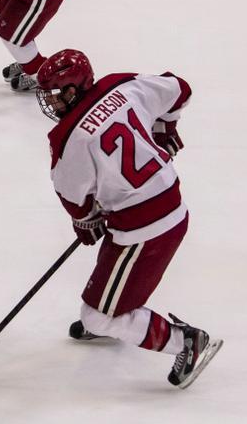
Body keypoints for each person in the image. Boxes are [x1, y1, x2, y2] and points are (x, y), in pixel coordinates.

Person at [36, 48, 222, 388]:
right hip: (165, 206)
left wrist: (87, 221)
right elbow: (179, 88)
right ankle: (112, 315)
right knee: (110, 274)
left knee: (96, 316)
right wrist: (164, 131)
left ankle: (186, 342)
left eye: (55, 94)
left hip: (145, 229)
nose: (50, 102)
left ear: (73, 90)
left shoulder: (68, 139)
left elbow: (74, 199)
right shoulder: (121, 86)